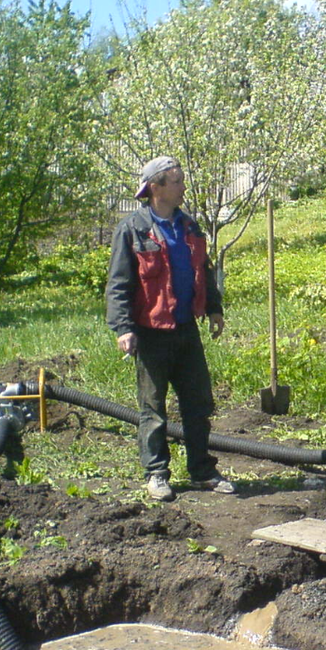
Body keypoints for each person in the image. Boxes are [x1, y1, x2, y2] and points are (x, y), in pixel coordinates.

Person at [106, 155, 235, 501]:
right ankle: (157, 474)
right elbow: (119, 285)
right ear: (155, 188)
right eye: (176, 181)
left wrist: (214, 308)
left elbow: (202, 272)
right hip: (150, 334)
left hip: (185, 330)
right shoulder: (133, 229)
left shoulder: (189, 227)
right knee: (153, 409)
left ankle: (202, 471)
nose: (182, 187)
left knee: (198, 404)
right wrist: (123, 328)